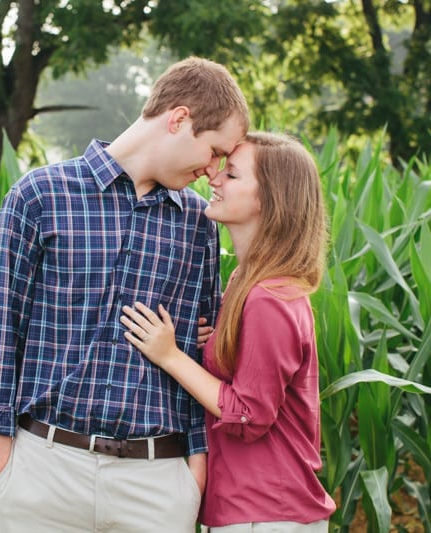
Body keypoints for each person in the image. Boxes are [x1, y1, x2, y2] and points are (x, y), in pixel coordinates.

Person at [0, 56, 250, 532]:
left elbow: (201, 353)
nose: (212, 170)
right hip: (43, 471)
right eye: (214, 149)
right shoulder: (40, 196)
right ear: (179, 119)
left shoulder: (198, 224)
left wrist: (193, 470)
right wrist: (5, 462)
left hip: (157, 481)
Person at [121, 131, 337, 532]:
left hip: (267, 513)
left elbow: (249, 414)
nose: (214, 179)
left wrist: (170, 355)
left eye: (232, 175)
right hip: (250, 508)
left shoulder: (270, 297)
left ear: (270, 200)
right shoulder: (245, 282)